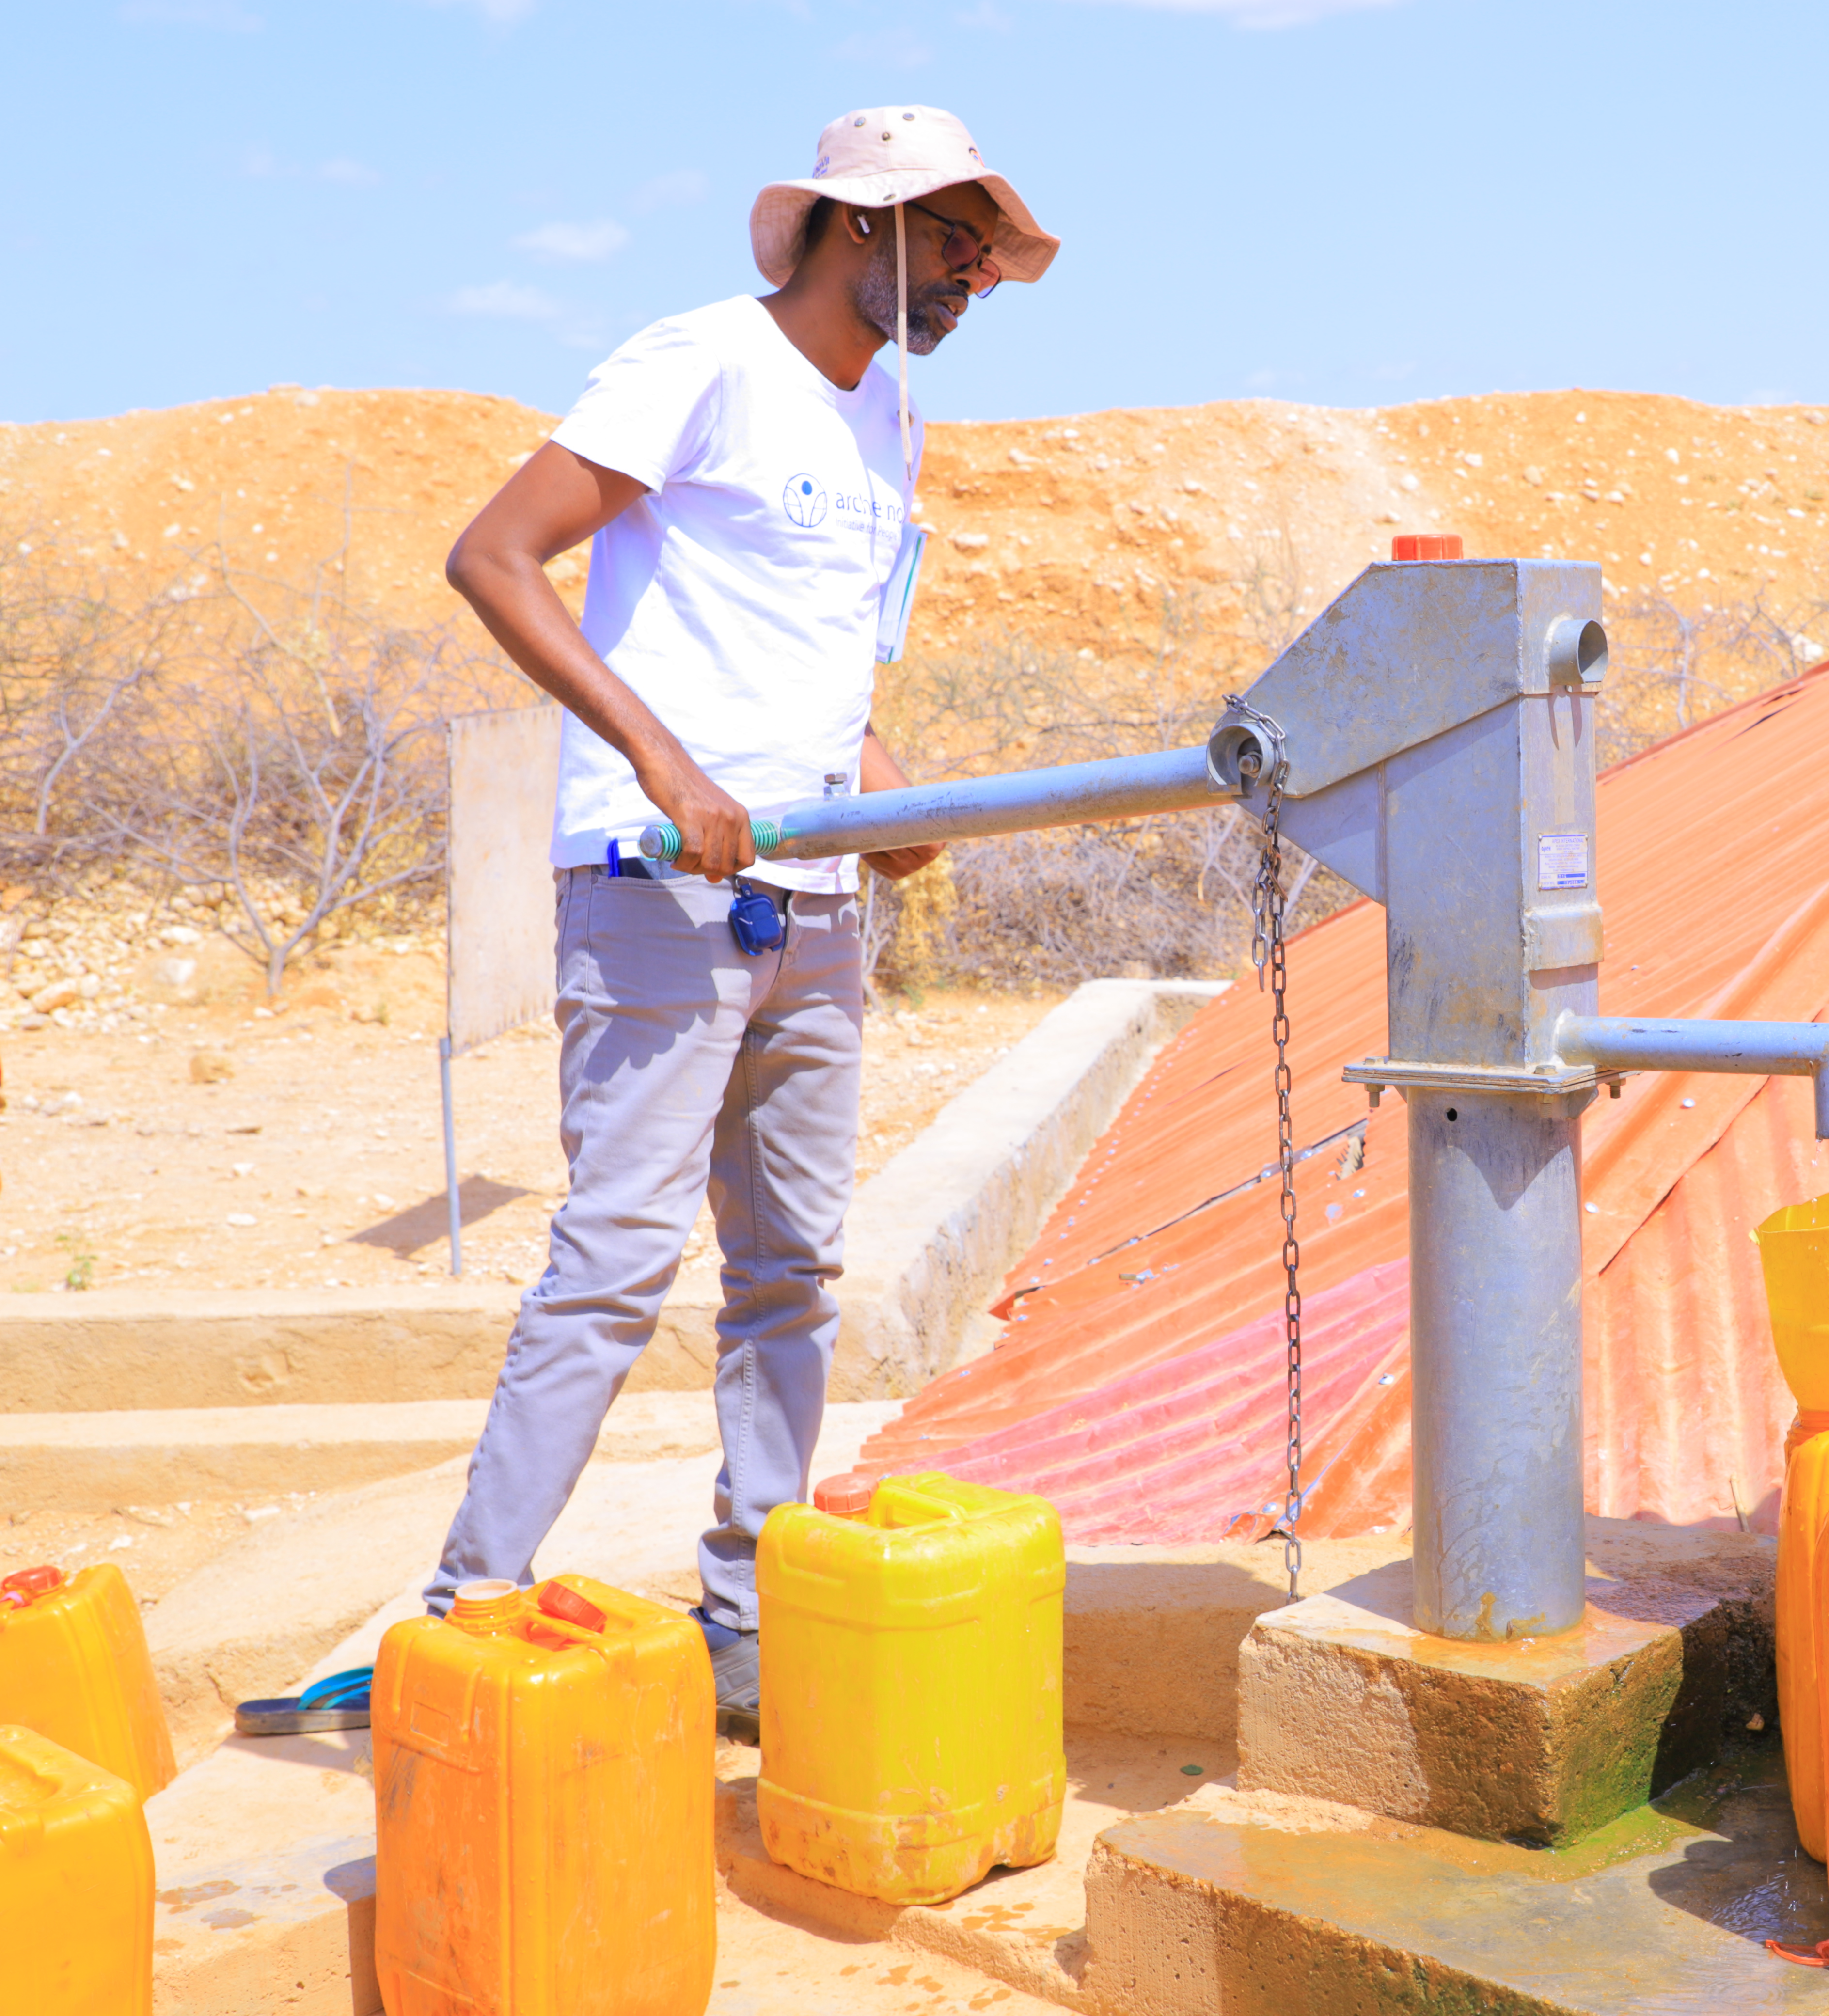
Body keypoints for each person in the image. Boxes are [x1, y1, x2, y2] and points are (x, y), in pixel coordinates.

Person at [433, 106, 1058, 1736]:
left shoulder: (887, 427)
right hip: (660, 887)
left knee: (793, 1271)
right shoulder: (701, 361)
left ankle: (746, 1615)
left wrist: (887, 790)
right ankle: (465, 1612)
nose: (980, 279)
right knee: (618, 1258)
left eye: (993, 254)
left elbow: (817, 666)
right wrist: (663, 761)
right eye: (959, 245)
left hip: (818, 898)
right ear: (863, 226)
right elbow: (495, 557)